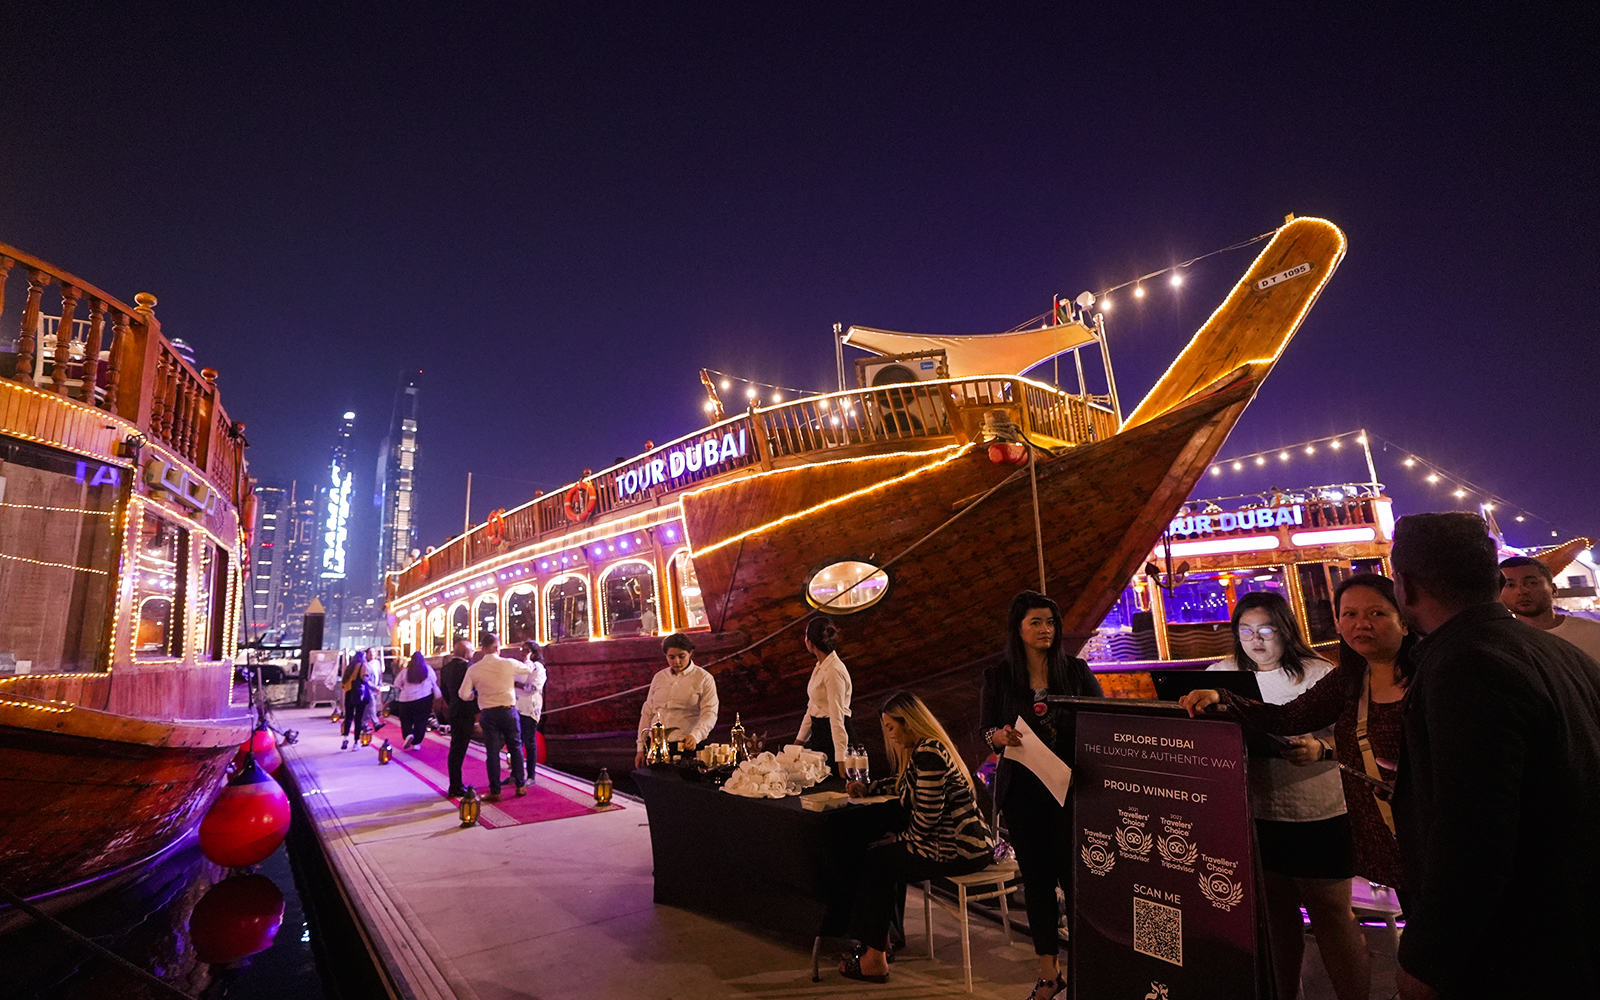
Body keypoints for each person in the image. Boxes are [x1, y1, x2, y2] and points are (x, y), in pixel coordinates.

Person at [1389, 512, 1600, 1000]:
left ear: (1406, 587)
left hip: (1518, 946)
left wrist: (1426, 958)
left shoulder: (1466, 664)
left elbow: (1474, 835)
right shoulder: (1555, 652)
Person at [1181, 574, 1415, 898]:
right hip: (1383, 832)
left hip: (1423, 829)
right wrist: (1224, 697)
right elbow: (1288, 717)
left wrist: (1323, 750)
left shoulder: (1431, 677)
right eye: (1349, 615)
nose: (1361, 624)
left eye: (1375, 613)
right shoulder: (1348, 679)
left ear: (1405, 621)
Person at [1201, 591, 1368, 1000]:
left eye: (1265, 630)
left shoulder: (1318, 674)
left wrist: (1319, 749)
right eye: (1244, 631)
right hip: (1255, 811)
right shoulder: (1219, 674)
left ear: (1286, 630)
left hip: (1317, 811)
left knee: (1331, 914)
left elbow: (1352, 740)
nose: (1254, 640)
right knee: (1275, 917)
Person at [979, 590, 1104, 1000]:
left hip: (1071, 789)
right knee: (1036, 882)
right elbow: (987, 729)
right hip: (1024, 793)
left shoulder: (1077, 671)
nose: (1045, 630)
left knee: (1076, 880)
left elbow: (1101, 722)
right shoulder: (999, 676)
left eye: (1050, 622)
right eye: (1035, 622)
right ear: (1018, 628)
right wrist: (997, 736)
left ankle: (1086, 970)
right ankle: (1049, 974)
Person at [835, 692, 993, 983]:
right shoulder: (928, 749)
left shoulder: (928, 754)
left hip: (960, 850)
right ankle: (879, 945)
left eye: (890, 727)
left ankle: (874, 958)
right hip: (965, 846)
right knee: (881, 858)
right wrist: (870, 788)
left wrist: (902, 841)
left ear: (907, 723)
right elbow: (905, 786)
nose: (889, 735)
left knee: (877, 863)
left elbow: (927, 818)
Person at [458, 632, 536, 801]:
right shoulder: (507, 664)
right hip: (509, 711)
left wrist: (476, 695)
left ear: (483, 649)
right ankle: (520, 786)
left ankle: (495, 790)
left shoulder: (474, 669)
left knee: (492, 752)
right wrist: (528, 657)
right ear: (496, 647)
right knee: (515, 748)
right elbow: (528, 669)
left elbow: (463, 694)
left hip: (488, 714)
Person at [634, 633, 719, 768]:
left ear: (690, 653)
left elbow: (710, 714)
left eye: (681, 656)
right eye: (671, 657)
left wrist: (695, 736)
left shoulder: (704, 678)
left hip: (685, 746)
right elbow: (648, 712)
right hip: (655, 747)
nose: (676, 662)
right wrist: (640, 748)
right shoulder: (659, 677)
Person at [1499, 554, 1600, 661]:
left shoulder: (1594, 633)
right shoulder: (1500, 642)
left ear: (1553, 589)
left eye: (1531, 583)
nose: (1521, 591)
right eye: (1510, 585)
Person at [795, 617, 853, 775]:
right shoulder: (821, 666)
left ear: (809, 642)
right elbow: (813, 706)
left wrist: (841, 758)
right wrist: (799, 742)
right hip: (820, 735)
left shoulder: (833, 671)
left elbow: (837, 717)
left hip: (834, 738)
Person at [436, 640, 477, 797]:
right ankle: (456, 785)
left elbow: (444, 691)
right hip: (465, 712)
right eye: (472, 651)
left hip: (453, 710)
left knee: (455, 749)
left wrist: (452, 703)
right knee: (459, 749)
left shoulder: (445, 669)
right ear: (466, 653)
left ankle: (455, 782)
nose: (473, 654)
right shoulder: (469, 668)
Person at [513, 640, 547, 780]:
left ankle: (531, 775)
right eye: (522, 649)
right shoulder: (520, 666)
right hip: (517, 708)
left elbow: (531, 688)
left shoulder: (538, 668)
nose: (523, 652)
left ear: (534, 653)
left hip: (529, 709)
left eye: (526, 650)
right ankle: (516, 773)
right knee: (516, 742)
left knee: (529, 742)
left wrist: (516, 684)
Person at [393, 651, 440, 750]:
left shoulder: (405, 672)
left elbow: (396, 684)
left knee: (406, 721)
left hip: (406, 700)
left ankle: (408, 734)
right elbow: (434, 680)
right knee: (421, 721)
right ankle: (416, 743)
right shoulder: (428, 669)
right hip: (424, 699)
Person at [339, 650, 372, 751]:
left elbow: (343, 684)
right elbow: (365, 678)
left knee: (348, 717)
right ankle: (356, 742)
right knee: (358, 718)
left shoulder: (349, 667)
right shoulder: (363, 666)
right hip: (359, 694)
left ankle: (345, 738)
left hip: (348, 694)